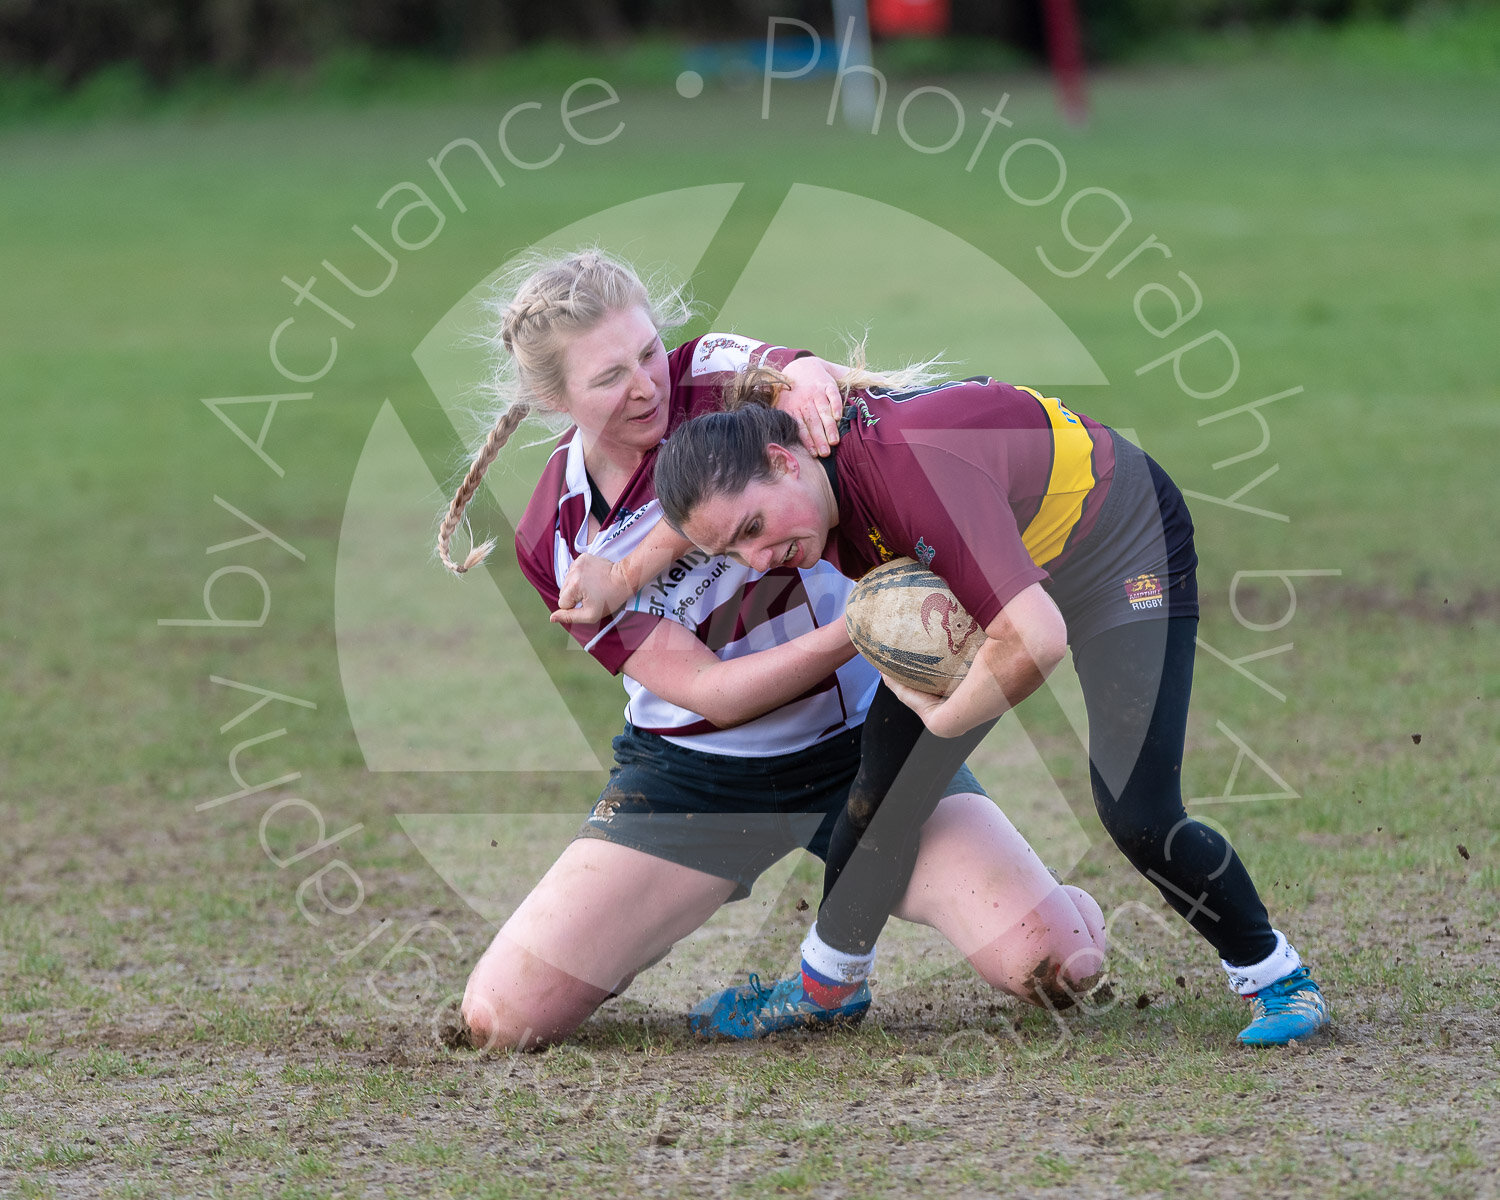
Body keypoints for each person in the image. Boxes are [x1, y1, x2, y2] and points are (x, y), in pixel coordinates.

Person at [436, 249, 1106, 1048]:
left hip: (862, 747)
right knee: (499, 1021)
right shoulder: (556, 533)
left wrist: (811, 379)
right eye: (608, 376)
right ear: (554, 399)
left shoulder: (714, 379)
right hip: (694, 778)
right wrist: (870, 619)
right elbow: (713, 693)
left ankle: (1051, 909)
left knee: (1060, 966)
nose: (647, 385)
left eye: (648, 352)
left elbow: (808, 380)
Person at [653, 372, 1331, 1047]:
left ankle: (1277, 978)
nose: (760, 557)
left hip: (1120, 549)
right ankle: (827, 984)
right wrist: (620, 574)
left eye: (753, 527)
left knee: (1140, 811)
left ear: (783, 461)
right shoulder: (815, 491)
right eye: (733, 552)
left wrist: (944, 718)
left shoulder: (908, 472)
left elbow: (1036, 641)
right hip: (1006, 559)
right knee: (884, 788)